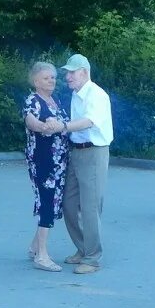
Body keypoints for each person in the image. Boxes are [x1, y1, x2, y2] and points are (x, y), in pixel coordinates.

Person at [58, 54, 113, 274]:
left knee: (90, 207)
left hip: (94, 152)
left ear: (85, 72)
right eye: (67, 72)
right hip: (77, 152)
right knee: (69, 204)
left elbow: (89, 121)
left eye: (72, 72)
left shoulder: (97, 94)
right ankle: (83, 249)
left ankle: (92, 258)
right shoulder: (76, 94)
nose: (67, 76)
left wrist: (62, 126)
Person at [21, 62, 71, 271]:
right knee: (47, 201)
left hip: (59, 161)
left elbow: (66, 124)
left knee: (52, 202)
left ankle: (34, 247)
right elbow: (30, 121)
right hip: (43, 160)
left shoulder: (55, 100)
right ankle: (42, 256)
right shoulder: (33, 100)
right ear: (35, 81)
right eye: (46, 78)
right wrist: (45, 127)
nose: (51, 80)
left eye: (53, 77)